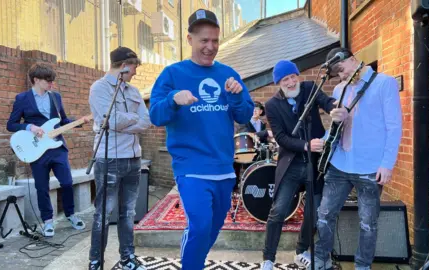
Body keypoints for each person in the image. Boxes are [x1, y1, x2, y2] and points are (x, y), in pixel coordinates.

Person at [149, 9, 254, 270]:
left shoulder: (228, 73)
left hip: (223, 167)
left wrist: (237, 96)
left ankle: (194, 258)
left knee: (213, 227)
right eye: (204, 40)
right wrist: (173, 99)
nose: (210, 47)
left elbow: (245, 114)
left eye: (215, 41)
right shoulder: (173, 74)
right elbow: (155, 115)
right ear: (189, 39)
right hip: (191, 166)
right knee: (200, 225)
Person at [312, 47, 402, 270]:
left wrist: (387, 163)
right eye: (337, 74)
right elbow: (336, 128)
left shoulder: (384, 83)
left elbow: (394, 126)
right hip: (339, 163)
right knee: (324, 214)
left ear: (353, 60)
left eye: (341, 70)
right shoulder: (340, 89)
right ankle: (322, 259)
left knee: (367, 222)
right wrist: (325, 138)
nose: (340, 76)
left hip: (370, 167)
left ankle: (362, 266)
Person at [259, 60, 337, 269]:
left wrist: (334, 108)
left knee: (314, 212)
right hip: (291, 164)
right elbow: (281, 138)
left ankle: (301, 251)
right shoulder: (272, 105)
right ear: (279, 83)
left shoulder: (310, 88)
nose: (291, 81)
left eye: (293, 76)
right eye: (286, 79)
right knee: (279, 210)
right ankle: (268, 258)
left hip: (316, 164)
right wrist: (305, 145)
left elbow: (326, 101)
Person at [6, 63, 89, 237]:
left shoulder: (55, 97)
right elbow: (11, 124)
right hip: (36, 150)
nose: (52, 84)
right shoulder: (22, 98)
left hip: (57, 147)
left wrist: (78, 122)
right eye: (48, 81)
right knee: (41, 187)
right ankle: (48, 221)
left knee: (66, 182)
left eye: (52, 81)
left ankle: (70, 215)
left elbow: (63, 120)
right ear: (36, 80)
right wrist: (30, 127)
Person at [87, 47, 151, 270]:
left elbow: (146, 121)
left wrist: (126, 121)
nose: (135, 72)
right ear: (123, 65)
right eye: (134, 66)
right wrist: (130, 120)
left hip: (133, 159)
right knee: (103, 215)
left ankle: (128, 259)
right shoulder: (99, 88)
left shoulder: (133, 92)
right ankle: (96, 262)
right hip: (110, 159)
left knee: (128, 214)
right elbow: (110, 121)